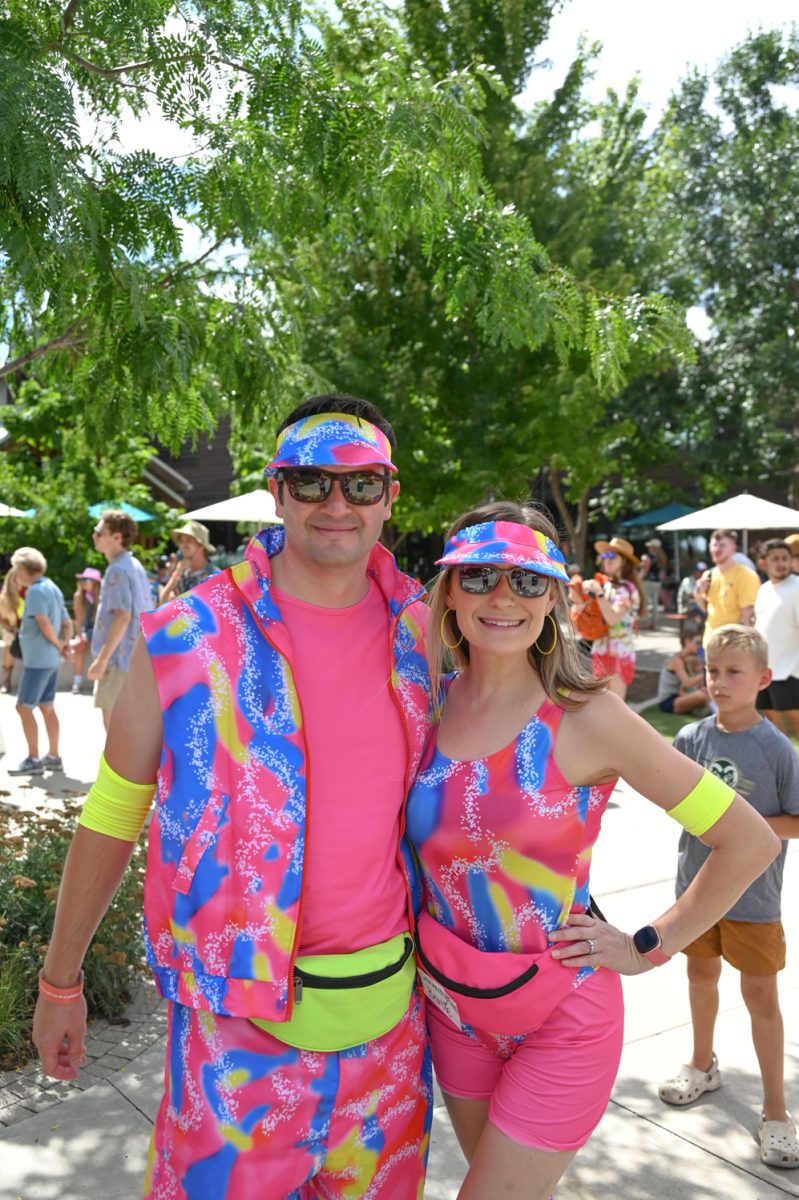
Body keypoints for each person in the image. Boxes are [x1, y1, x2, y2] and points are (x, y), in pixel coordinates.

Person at [33, 396, 435, 1200]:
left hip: (391, 1039)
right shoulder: (185, 635)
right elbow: (114, 812)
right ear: (276, 492)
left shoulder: (424, 632)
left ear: (390, 496)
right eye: (312, 481)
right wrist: (59, 981)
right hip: (235, 1047)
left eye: (360, 485)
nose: (336, 504)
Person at [404, 502, 779, 1200]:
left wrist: (647, 945)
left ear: (553, 598)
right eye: (480, 576)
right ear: (448, 592)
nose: (502, 597)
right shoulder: (422, 705)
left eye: (526, 580)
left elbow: (745, 840)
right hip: (454, 1007)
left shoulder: (589, 717)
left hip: (562, 1018)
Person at [659, 625, 799, 1170]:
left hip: (753, 899)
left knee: (761, 998)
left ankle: (777, 1112)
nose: (718, 681)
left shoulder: (777, 749)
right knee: (699, 978)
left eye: (732, 672)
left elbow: (794, 821)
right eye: (712, 671)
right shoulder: (692, 739)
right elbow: (671, 798)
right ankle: (702, 1064)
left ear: (763, 679)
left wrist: (738, 827)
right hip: (696, 893)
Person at [7, 547, 72, 776]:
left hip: (38, 661)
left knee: (23, 708)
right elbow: (66, 622)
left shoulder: (35, 590)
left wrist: (60, 645)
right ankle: (54, 756)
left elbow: (44, 624)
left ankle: (34, 759)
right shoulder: (52, 587)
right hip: (50, 660)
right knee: (46, 707)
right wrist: (65, 644)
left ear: (24, 569)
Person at [88, 509, 153, 730]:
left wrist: (102, 659)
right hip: (136, 657)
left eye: (99, 532)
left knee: (115, 730)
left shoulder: (117, 569)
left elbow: (122, 617)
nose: (94, 535)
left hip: (118, 659)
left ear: (117, 537)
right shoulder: (134, 565)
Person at [580, 536, 647, 700]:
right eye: (604, 556)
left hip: (620, 655)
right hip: (600, 651)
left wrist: (598, 593)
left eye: (611, 556)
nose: (606, 560)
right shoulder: (605, 585)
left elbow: (612, 619)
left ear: (624, 561)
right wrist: (579, 597)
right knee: (599, 706)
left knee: (616, 707)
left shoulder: (627, 589)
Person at [754, 538, 799, 740]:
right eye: (775, 559)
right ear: (763, 562)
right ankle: (787, 769)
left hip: (792, 670)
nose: (781, 563)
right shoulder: (763, 590)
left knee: (795, 719)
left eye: (785, 558)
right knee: (771, 719)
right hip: (765, 670)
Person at [695, 529, 759, 644]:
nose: (717, 549)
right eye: (714, 545)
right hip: (711, 641)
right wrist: (699, 594)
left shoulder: (746, 575)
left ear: (733, 548)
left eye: (722, 545)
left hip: (733, 645)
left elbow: (747, 616)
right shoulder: (708, 574)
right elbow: (706, 609)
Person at [158, 520, 219, 603]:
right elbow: (163, 602)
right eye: (181, 541)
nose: (183, 545)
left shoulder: (214, 575)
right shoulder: (182, 573)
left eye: (189, 540)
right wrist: (176, 575)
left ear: (201, 545)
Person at [656, 624, 710, 715]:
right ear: (687, 642)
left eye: (701, 643)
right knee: (701, 695)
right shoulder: (676, 660)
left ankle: (701, 709)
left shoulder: (691, 658)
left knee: (708, 692)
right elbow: (687, 683)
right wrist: (706, 673)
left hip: (682, 696)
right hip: (668, 701)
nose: (700, 646)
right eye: (697, 642)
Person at [70, 567, 102, 694]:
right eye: (82, 580)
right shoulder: (79, 596)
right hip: (87, 629)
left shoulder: (103, 596)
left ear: (95, 582)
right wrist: (80, 635)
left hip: (100, 629)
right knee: (79, 647)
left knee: (101, 647)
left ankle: (98, 681)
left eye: (86, 579)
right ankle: (77, 682)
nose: (83, 583)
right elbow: (78, 619)